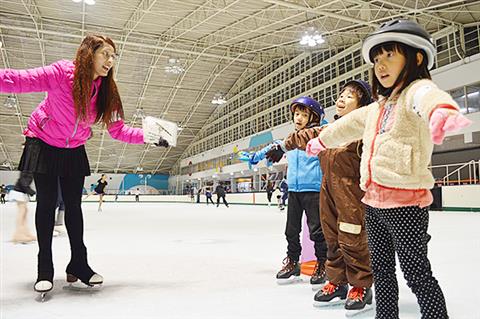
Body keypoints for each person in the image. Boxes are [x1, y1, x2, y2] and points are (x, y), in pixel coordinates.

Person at [305, 20, 471, 318]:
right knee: (381, 272)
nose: (381, 65)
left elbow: (429, 97)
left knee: (416, 273)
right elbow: (345, 126)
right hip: (372, 203)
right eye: (377, 59)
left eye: (390, 55)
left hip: (406, 203)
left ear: (416, 58)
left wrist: (441, 110)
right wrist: (321, 140)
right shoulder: (377, 107)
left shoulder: (415, 92)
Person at [0, 34, 169, 295]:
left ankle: (79, 264)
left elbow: (118, 130)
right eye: (105, 54)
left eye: (114, 56)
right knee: (46, 204)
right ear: (89, 54)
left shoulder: (108, 92)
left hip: (74, 147)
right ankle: (44, 267)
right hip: (43, 141)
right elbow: (18, 80)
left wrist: (150, 136)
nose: (110, 61)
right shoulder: (60, 73)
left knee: (74, 207)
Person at [270, 80, 374, 313]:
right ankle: (337, 281)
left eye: (349, 96)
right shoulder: (331, 130)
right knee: (331, 237)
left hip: (351, 192)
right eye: (341, 94)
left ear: (361, 105)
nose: (341, 98)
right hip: (327, 190)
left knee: (353, 237)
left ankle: (360, 285)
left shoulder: (363, 130)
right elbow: (307, 135)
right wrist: (283, 146)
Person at [243, 97, 328, 289]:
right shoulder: (291, 139)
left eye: (304, 115)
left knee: (317, 231)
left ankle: (323, 263)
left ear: (314, 117)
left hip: (313, 190)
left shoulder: (316, 137)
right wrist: (255, 157)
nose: (298, 118)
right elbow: (273, 146)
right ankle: (292, 262)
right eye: (297, 114)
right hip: (294, 191)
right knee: (291, 230)